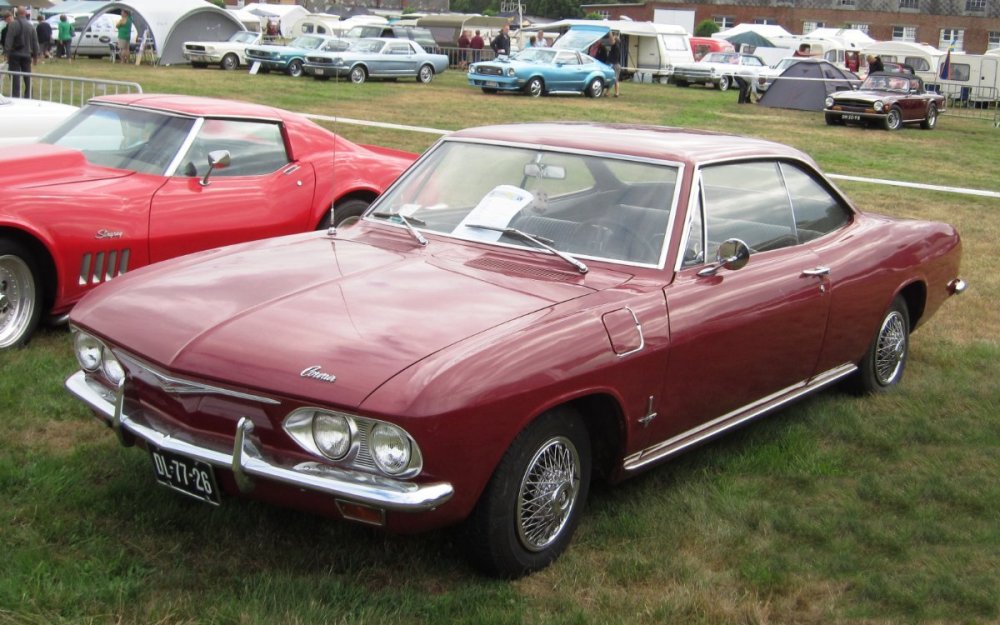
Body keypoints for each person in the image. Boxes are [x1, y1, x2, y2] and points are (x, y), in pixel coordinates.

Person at [3, 7, 40, 98]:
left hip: (15, 54)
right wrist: (35, 56)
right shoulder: (31, 26)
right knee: (27, 76)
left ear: (17, 14)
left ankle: (16, 95)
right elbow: (35, 42)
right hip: (27, 54)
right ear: (25, 14)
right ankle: (28, 95)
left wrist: (6, 53)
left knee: (15, 76)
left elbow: (9, 40)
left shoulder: (13, 25)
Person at [608, 31, 622, 97]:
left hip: (615, 65)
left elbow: (612, 40)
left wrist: (609, 31)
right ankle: (607, 92)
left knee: (615, 80)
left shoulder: (615, 45)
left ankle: (617, 93)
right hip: (615, 65)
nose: (609, 40)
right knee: (612, 79)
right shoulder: (616, 46)